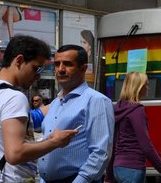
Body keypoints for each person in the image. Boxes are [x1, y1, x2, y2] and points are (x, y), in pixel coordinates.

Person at [0, 35, 77, 182]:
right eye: (36, 68)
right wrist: (55, 142)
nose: (38, 76)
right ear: (19, 61)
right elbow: (15, 153)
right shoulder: (14, 97)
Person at [38, 44, 114, 183]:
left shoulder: (96, 100)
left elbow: (100, 152)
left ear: (83, 68)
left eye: (67, 64)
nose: (60, 69)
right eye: (57, 64)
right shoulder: (56, 103)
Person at [105, 72, 161, 183]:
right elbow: (146, 146)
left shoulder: (117, 108)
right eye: (145, 85)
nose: (148, 88)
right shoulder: (137, 110)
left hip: (118, 168)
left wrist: (108, 176)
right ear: (139, 88)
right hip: (133, 168)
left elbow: (112, 143)